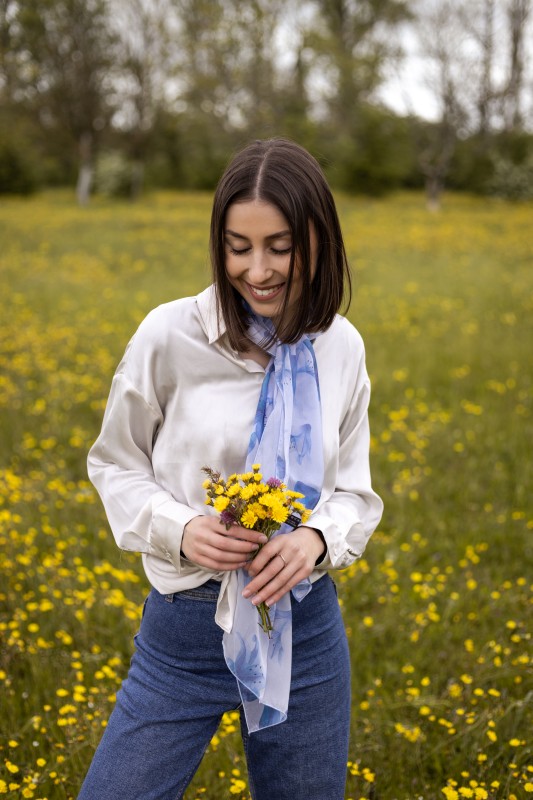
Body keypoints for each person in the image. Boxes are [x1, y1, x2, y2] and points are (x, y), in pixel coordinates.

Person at [79, 137, 383, 800]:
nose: (258, 269)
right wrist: (181, 527)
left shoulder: (341, 346)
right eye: (237, 246)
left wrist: (316, 538)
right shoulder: (168, 335)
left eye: (279, 245)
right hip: (183, 631)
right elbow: (115, 462)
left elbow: (355, 493)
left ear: (317, 240)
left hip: (305, 633)